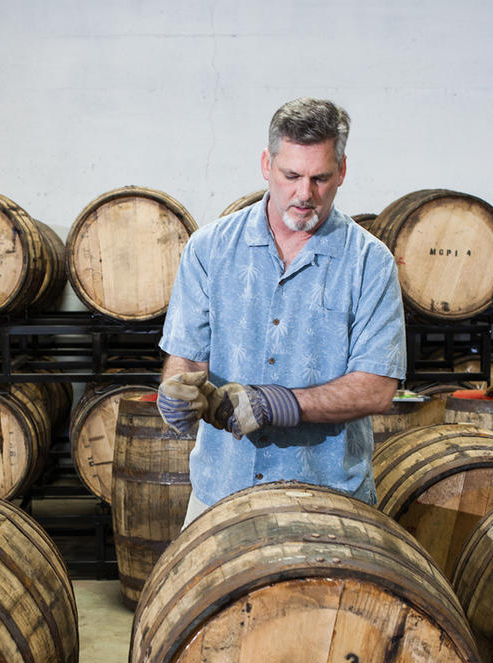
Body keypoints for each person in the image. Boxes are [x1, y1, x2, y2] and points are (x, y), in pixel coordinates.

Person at [156, 97, 406, 525]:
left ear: (342, 171)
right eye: (291, 175)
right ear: (266, 164)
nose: (304, 194)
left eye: (320, 178)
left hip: (330, 501)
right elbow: (187, 358)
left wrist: (277, 403)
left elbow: (376, 388)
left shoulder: (369, 261)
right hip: (221, 492)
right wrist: (176, 389)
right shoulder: (209, 249)